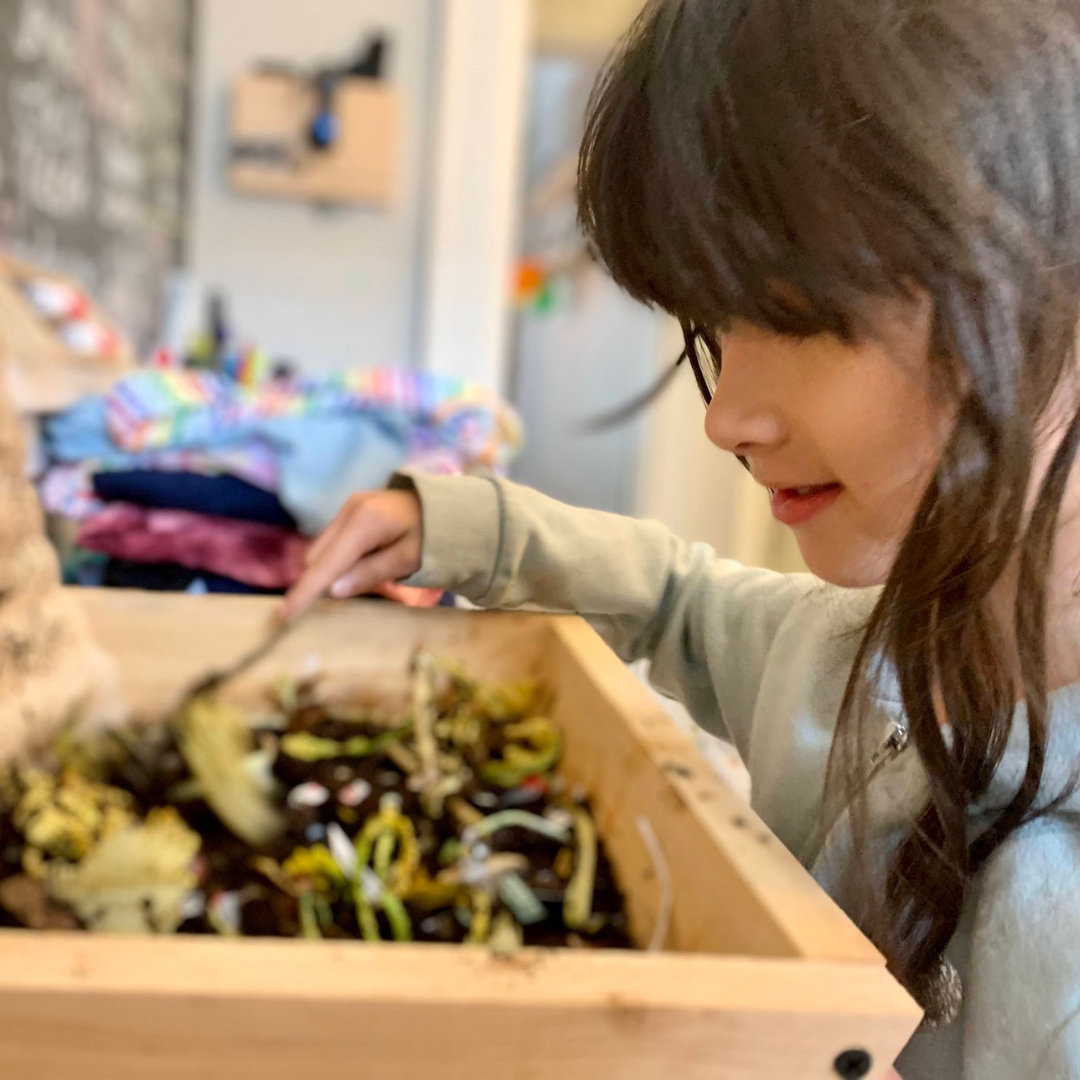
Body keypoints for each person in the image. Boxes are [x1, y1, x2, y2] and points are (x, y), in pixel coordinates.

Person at [284, 1, 1080, 1075]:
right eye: (714, 327)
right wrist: (467, 528)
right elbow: (677, 599)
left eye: (798, 315)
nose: (726, 417)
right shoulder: (842, 656)